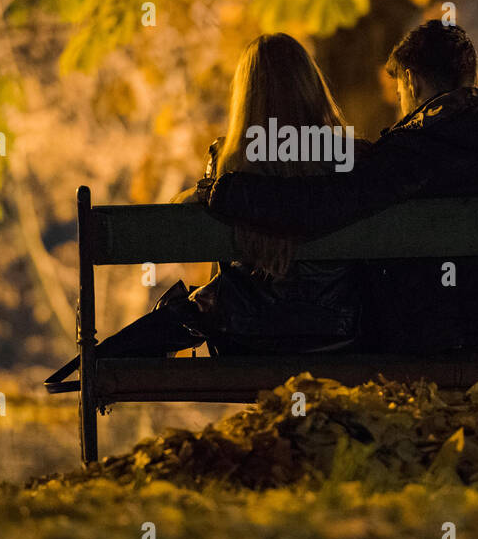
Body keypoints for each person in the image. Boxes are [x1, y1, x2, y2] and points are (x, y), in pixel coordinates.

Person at [197, 19, 478, 355]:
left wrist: (226, 192)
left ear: (412, 80)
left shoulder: (430, 139)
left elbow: (324, 205)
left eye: (400, 92)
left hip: (474, 334)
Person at [50, 33, 365, 372]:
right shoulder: (353, 159)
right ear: (311, 86)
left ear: (246, 97)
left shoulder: (228, 165)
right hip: (340, 337)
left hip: (246, 342)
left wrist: (203, 192)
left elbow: (178, 221)